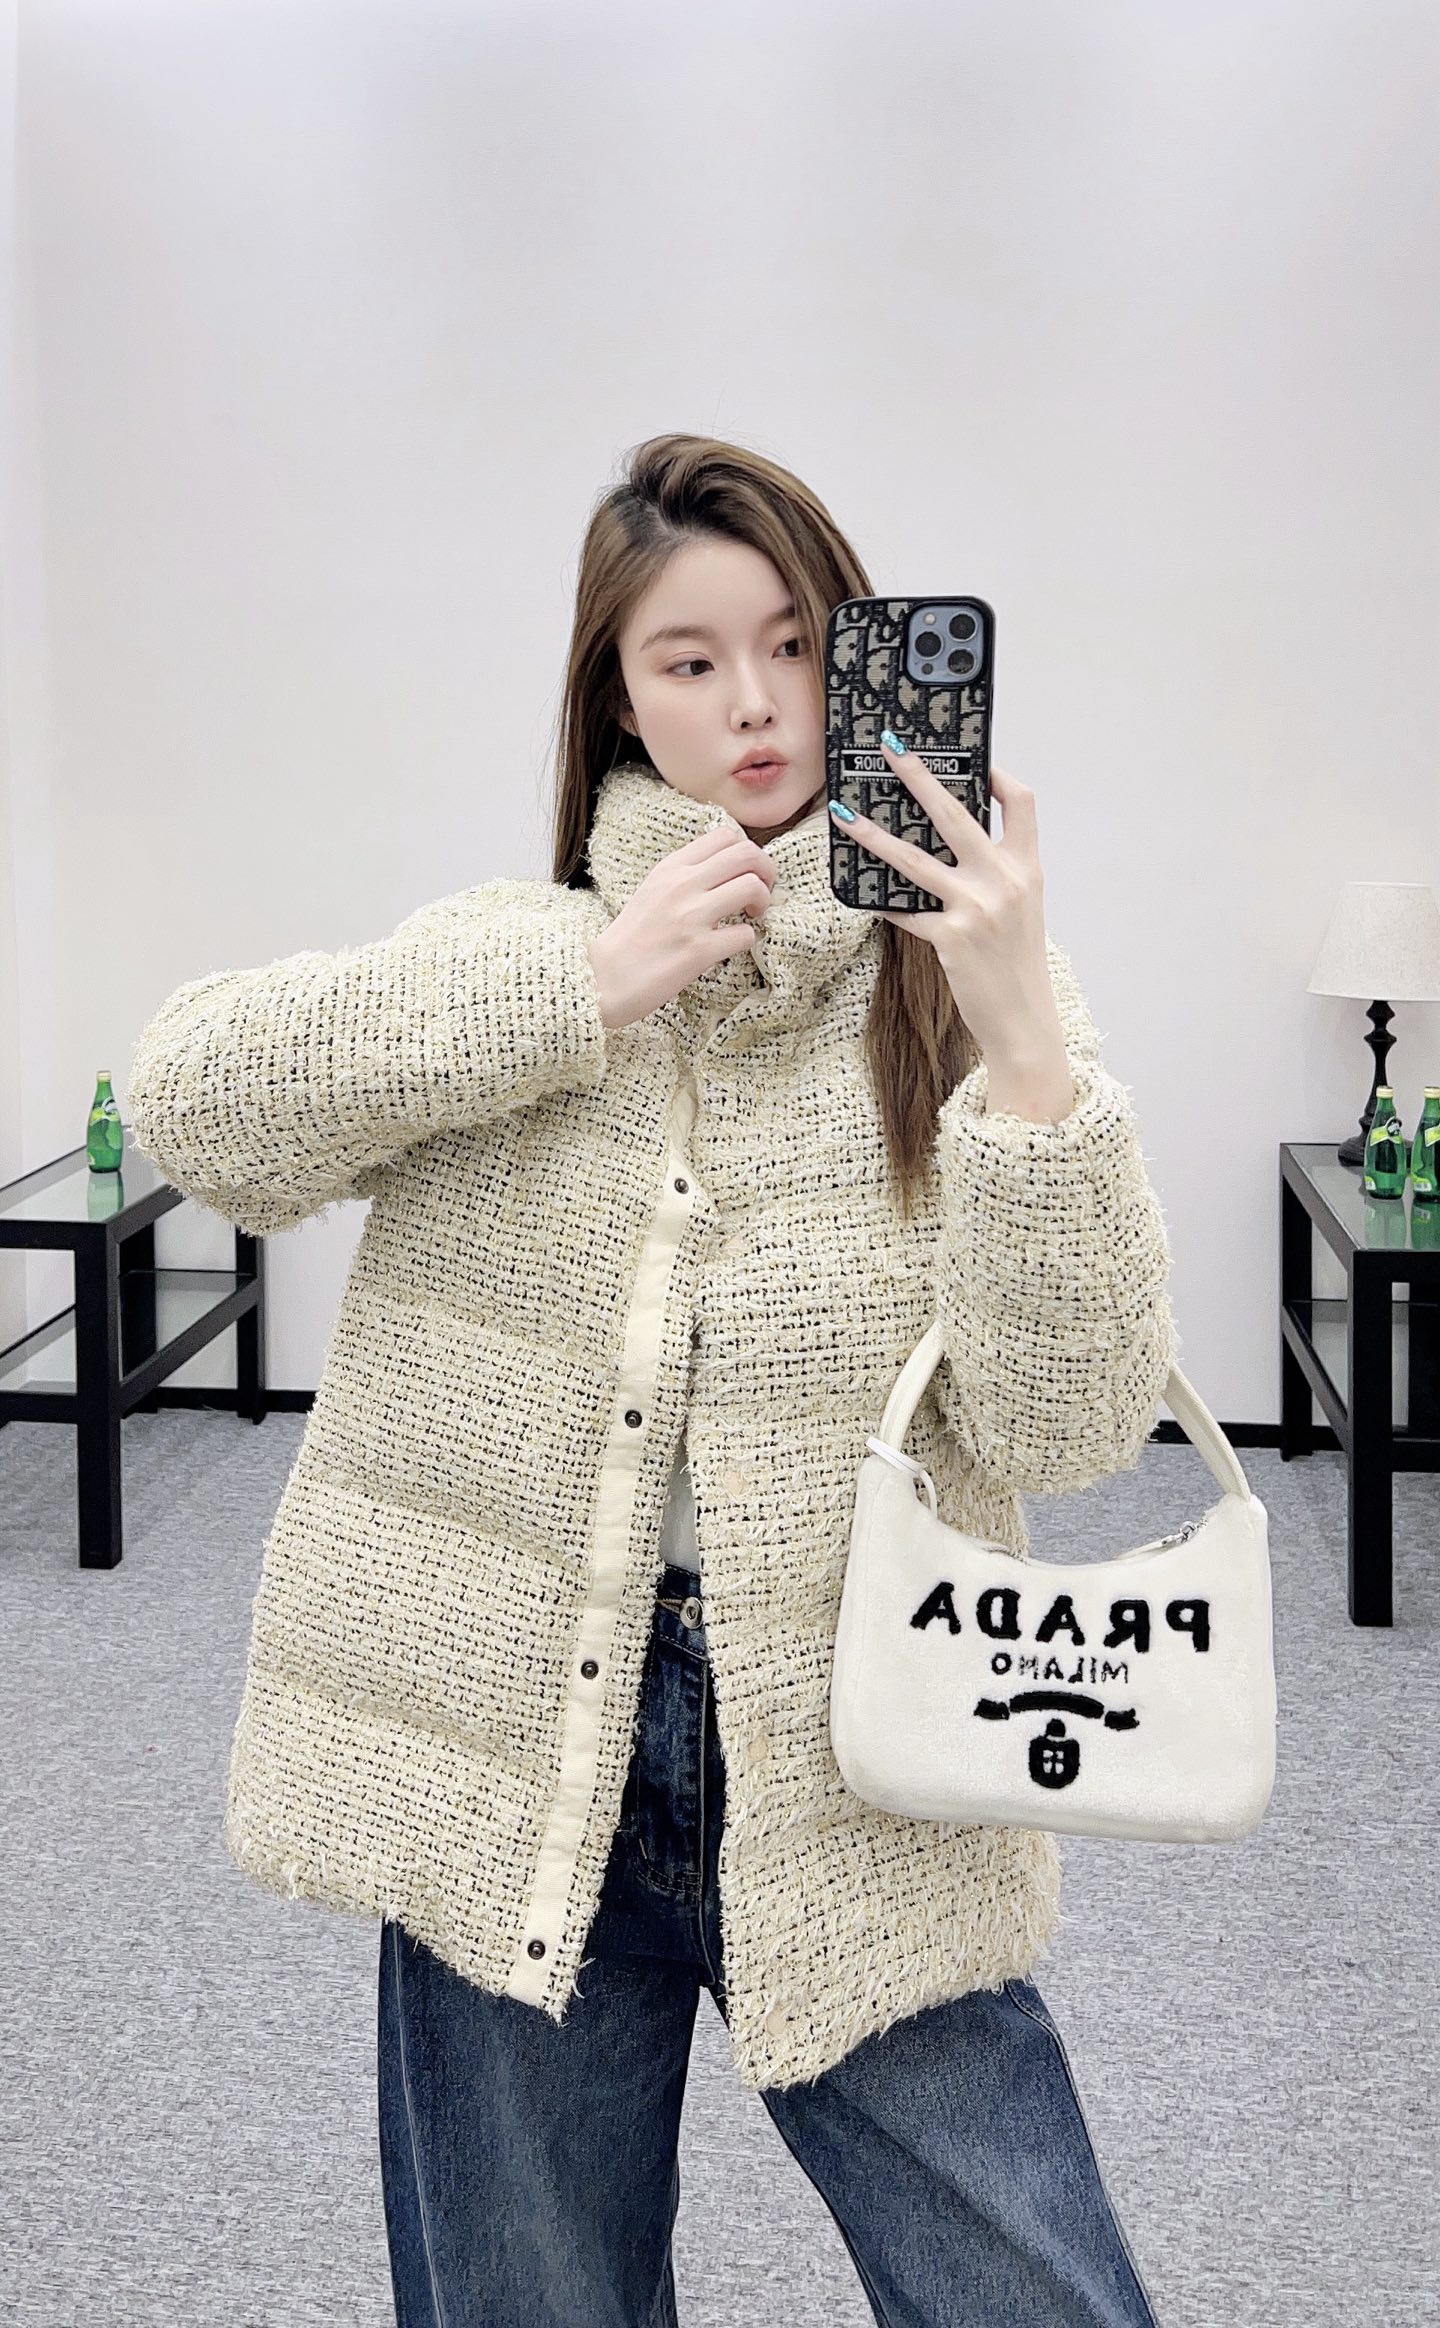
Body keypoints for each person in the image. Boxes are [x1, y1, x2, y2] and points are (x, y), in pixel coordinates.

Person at [128, 434, 1174, 2326]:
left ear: (859, 660)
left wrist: (1023, 1042)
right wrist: (585, 988)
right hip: (522, 1737)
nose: (755, 703)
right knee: (529, 2295)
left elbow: (1072, 1424)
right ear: (619, 696)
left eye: (794, 644)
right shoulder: (522, 958)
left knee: (1028, 2284)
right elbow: (197, 1106)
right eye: (690, 660)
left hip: (861, 1744)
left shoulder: (960, 997)